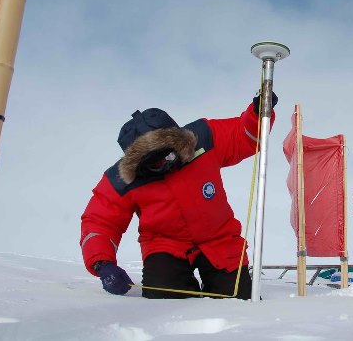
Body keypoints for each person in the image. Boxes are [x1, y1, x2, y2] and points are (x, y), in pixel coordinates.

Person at [80, 94, 276, 299]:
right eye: (153, 162)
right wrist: (103, 264)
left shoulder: (203, 138)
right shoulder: (122, 178)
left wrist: (257, 114)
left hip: (219, 240)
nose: (164, 163)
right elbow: (99, 222)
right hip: (165, 245)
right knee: (163, 300)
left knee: (239, 300)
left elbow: (243, 136)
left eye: (168, 154)